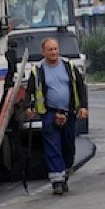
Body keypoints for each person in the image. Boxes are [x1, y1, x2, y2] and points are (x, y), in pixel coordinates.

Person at [25, 38, 89, 195]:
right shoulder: (38, 70)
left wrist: (83, 107)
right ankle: (57, 181)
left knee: (68, 147)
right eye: (50, 50)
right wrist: (29, 107)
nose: (53, 52)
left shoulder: (69, 66)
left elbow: (81, 87)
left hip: (69, 113)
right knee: (53, 147)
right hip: (49, 113)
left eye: (55, 49)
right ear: (43, 52)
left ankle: (64, 174)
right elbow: (29, 91)